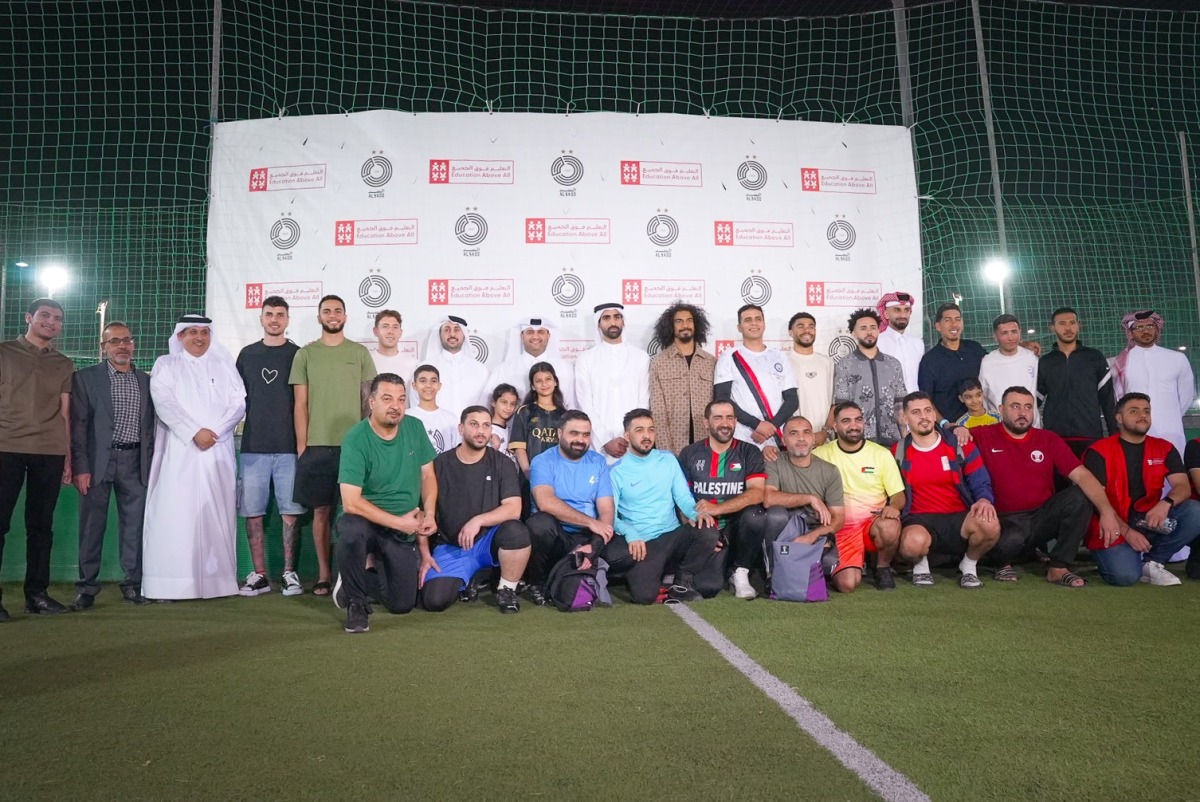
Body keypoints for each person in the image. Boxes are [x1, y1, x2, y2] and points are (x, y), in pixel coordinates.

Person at [973, 387, 1126, 588]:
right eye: (1015, 406)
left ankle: (1059, 567)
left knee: (1080, 495)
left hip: (1040, 518)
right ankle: (1002, 563)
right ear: (1001, 410)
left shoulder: (1048, 439)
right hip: (1004, 521)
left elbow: (1081, 475)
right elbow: (941, 436)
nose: (1022, 413)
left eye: (1028, 407)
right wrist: (953, 428)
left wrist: (1107, 512)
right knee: (1011, 539)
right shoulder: (983, 435)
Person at [142, 315, 246, 600]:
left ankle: (219, 584)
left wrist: (217, 430)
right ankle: (169, 585)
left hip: (217, 449)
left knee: (217, 514)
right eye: (192, 333)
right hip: (180, 450)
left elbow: (239, 402)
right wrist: (193, 432)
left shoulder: (223, 364)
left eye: (204, 332)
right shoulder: (166, 364)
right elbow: (164, 402)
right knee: (175, 515)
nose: (199, 338)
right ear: (180, 337)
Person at [332, 373, 437, 633]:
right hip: (366, 520)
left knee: (402, 604)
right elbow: (351, 502)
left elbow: (428, 475)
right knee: (351, 530)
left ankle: (355, 579)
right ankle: (356, 605)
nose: (396, 406)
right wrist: (399, 523)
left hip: (402, 524)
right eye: (388, 398)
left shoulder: (414, 427)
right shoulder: (356, 438)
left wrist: (430, 513)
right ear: (372, 402)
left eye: (401, 399)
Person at [289, 294, 377, 596]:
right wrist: (303, 445)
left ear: (345, 316)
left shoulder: (360, 353)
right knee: (322, 513)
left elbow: (369, 402)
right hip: (316, 448)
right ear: (319, 317)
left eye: (338, 310)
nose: (333, 315)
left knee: (359, 512)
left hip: (354, 447)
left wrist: (369, 443)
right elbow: (300, 404)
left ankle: (357, 574)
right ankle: (325, 575)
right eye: (327, 311)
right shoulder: (305, 354)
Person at [69, 320, 155, 610]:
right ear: (103, 347)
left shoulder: (146, 380)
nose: (122, 345)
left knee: (134, 527)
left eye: (127, 340)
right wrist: (81, 467)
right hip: (96, 464)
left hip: (135, 463)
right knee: (92, 527)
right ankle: (87, 589)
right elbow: (78, 427)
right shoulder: (85, 378)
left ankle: (132, 585)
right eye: (115, 341)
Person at [0, 298, 74, 619]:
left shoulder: (64, 363)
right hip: (6, 448)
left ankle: (37, 595)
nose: (51, 322)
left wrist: (68, 458)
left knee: (41, 526)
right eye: (45, 315)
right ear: (29, 317)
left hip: (50, 451)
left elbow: (65, 414)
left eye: (57, 318)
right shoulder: (4, 352)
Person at [418, 406, 531, 614]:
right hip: (452, 546)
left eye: (486, 425)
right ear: (461, 429)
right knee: (434, 601)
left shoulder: (502, 463)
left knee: (517, 531)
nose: (481, 431)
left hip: (488, 541)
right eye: (474, 424)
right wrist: (425, 554)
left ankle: (506, 589)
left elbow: (514, 508)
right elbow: (422, 514)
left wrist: (478, 520)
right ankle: (473, 578)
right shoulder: (439, 464)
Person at [1083, 393, 1200, 586]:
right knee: (1125, 577)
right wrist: (1127, 531)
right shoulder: (1099, 451)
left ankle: (1153, 562)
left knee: (1195, 511)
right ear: (1119, 418)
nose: (1142, 415)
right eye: (1134, 411)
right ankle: (1123, 558)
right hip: (1113, 523)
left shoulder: (1164, 448)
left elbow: (1183, 487)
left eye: (1146, 411)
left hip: (1150, 522)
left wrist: (1166, 503)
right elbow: (1097, 500)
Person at [605, 409, 721, 603]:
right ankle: (654, 575)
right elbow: (611, 516)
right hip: (643, 543)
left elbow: (683, 497)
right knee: (644, 596)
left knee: (707, 527)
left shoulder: (668, 459)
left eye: (651, 430)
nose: (646, 436)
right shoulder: (616, 471)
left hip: (671, 535)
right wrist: (630, 533)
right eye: (640, 430)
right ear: (627, 435)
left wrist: (695, 513)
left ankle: (682, 582)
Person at [234, 296, 304, 597]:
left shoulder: (299, 354)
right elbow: (234, 400)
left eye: (280, 315)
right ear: (261, 319)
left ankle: (290, 574)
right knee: (253, 512)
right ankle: (259, 575)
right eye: (269, 314)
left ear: (287, 320)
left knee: (290, 512)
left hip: (289, 448)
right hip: (252, 448)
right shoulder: (247, 355)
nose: (274, 319)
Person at [893, 392, 1000, 589]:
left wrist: (984, 500)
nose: (923, 417)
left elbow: (980, 480)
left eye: (928, 410)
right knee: (911, 545)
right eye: (916, 412)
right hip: (919, 519)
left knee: (990, 523)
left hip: (958, 517)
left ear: (934, 415)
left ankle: (968, 566)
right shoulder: (897, 452)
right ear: (905, 418)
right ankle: (920, 564)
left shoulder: (959, 445)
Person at [678, 400, 768, 599]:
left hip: (736, 529)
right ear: (706, 423)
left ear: (736, 421)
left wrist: (717, 509)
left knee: (755, 515)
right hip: (705, 530)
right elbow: (680, 497)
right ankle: (721, 568)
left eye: (730, 418)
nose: (725, 423)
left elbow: (757, 493)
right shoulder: (689, 453)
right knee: (708, 587)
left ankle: (741, 572)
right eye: (718, 418)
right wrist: (694, 523)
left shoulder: (749, 452)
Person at [523, 410, 614, 605]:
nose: (580, 440)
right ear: (559, 434)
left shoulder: (598, 461)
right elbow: (545, 502)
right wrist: (591, 522)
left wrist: (595, 545)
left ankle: (584, 564)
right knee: (540, 524)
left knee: (627, 552)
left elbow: (606, 509)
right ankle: (536, 584)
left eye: (586, 434)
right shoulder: (542, 461)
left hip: (587, 535)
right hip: (557, 537)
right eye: (574, 433)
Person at [813, 402, 906, 592]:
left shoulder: (881, 454)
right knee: (847, 585)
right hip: (840, 528)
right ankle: (850, 562)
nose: (854, 426)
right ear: (835, 426)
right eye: (846, 421)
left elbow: (898, 495)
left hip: (871, 525)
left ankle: (882, 568)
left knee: (889, 526)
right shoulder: (820, 454)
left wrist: (894, 507)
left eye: (858, 420)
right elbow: (792, 461)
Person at [761, 417, 845, 582]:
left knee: (831, 567)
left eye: (806, 433)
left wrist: (811, 537)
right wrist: (810, 498)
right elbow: (768, 499)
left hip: (813, 530)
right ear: (784, 440)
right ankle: (772, 573)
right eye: (794, 433)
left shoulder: (829, 471)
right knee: (775, 514)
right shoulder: (774, 462)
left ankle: (798, 567)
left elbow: (839, 519)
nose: (801, 438)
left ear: (813, 439)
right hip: (783, 529)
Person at [714, 304, 798, 461]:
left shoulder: (779, 357)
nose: (754, 323)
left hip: (776, 437)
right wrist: (757, 425)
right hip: (744, 435)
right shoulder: (729, 356)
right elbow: (722, 399)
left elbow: (792, 400)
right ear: (739, 327)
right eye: (748, 320)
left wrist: (770, 427)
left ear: (764, 324)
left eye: (758, 319)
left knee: (774, 484)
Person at [1111, 310, 1195, 454]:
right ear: (1130, 333)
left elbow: (1186, 396)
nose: (1145, 330)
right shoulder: (1121, 362)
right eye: (1139, 327)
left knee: (1173, 469)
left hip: (1170, 428)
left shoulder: (1177, 358)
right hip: (1135, 429)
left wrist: (1169, 415)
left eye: (1150, 326)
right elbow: (1117, 397)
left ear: (1157, 329)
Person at [574, 303, 650, 461]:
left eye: (617, 317)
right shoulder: (585, 359)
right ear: (598, 323)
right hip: (598, 445)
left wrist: (632, 437)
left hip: (633, 444)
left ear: (623, 321)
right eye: (606, 318)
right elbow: (585, 403)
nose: (613, 322)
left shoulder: (640, 357)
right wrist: (605, 440)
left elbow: (643, 401)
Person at [1037, 306, 1116, 457]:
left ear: (1079, 325)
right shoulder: (1045, 362)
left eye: (1072, 322)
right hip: (1055, 437)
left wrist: (1114, 433)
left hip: (1090, 434)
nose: (1068, 328)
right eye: (1062, 324)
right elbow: (1035, 401)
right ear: (1052, 328)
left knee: (1092, 480)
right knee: (1058, 481)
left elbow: (1107, 399)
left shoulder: (1095, 357)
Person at [829, 308, 906, 448]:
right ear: (854, 333)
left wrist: (905, 438)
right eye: (863, 328)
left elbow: (899, 404)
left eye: (873, 327)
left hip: (892, 439)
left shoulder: (893, 364)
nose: (869, 332)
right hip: (858, 440)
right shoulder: (844, 365)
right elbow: (841, 407)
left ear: (878, 331)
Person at [648, 302, 715, 453]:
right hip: (674, 446)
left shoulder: (711, 362)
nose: (685, 325)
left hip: (707, 445)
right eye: (679, 321)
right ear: (671, 327)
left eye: (689, 320)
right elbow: (658, 412)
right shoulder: (659, 363)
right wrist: (666, 453)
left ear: (696, 324)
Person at [918, 302, 987, 423]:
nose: (954, 324)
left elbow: (999, 358)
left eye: (957, 319)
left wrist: (1023, 346)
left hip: (981, 424)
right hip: (951, 430)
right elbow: (926, 399)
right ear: (938, 326)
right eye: (948, 320)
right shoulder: (930, 360)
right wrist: (944, 424)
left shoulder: (975, 349)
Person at [486, 317, 576, 408]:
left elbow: (572, 405)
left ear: (549, 335)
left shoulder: (564, 367)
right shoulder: (503, 369)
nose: (535, 336)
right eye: (530, 332)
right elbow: (487, 405)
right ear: (522, 336)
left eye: (541, 332)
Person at [509, 362, 569, 478]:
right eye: (538, 381)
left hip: (558, 476)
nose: (544, 384)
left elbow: (567, 450)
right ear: (532, 386)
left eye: (548, 379)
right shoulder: (524, 411)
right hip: (530, 476)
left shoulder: (565, 415)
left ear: (555, 382)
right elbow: (519, 447)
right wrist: (528, 472)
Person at [978, 314, 1040, 426]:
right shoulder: (987, 362)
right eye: (1004, 333)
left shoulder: (1031, 357)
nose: (1010, 338)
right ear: (995, 336)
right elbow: (982, 397)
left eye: (1014, 332)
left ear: (1020, 332)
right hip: (999, 429)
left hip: (1032, 428)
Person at [423, 315, 489, 415]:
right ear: (440, 335)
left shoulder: (480, 370)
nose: (452, 334)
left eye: (457, 329)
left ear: (464, 335)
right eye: (447, 330)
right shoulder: (425, 368)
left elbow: (484, 406)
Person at [786, 312, 834, 445]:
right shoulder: (783, 362)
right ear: (791, 332)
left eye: (811, 326)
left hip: (824, 439)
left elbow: (834, 404)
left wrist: (825, 432)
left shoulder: (827, 362)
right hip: (795, 440)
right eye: (800, 326)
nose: (807, 330)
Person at [875, 291, 924, 394]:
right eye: (897, 310)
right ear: (886, 314)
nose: (902, 315)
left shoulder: (918, 343)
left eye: (906, 310)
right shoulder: (877, 342)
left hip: (915, 404)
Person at [407, 364, 461, 454]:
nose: (428, 385)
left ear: (439, 386)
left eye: (433, 381)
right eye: (423, 381)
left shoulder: (450, 418)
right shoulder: (406, 416)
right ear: (414, 385)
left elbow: (457, 450)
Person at [369, 309, 417, 385]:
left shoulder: (412, 364)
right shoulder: (367, 361)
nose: (390, 331)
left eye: (395, 327)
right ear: (375, 331)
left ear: (400, 332)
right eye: (385, 326)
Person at [488, 383, 519, 457]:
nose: (508, 408)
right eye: (504, 402)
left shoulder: (513, 431)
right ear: (494, 402)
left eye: (512, 404)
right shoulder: (488, 430)